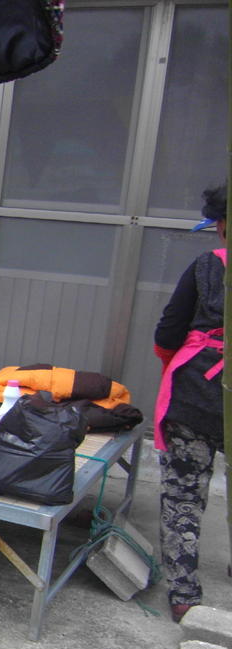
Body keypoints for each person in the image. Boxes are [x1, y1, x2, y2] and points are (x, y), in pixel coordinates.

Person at [153, 184, 226, 624]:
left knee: (184, 495)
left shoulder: (207, 267)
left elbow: (168, 333)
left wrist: (176, 362)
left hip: (197, 396)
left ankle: (184, 595)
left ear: (221, 225)